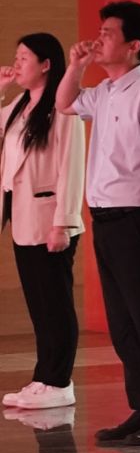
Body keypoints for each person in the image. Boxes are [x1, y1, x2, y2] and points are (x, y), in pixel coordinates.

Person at [54, 1, 140, 446]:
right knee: (124, 322)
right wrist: (76, 64)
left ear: (134, 45)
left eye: (107, 33)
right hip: (107, 220)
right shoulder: (107, 91)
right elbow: (64, 102)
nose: (98, 39)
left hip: (138, 218)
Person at [1, 33, 85, 410]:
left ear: (46, 64)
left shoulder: (62, 106)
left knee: (55, 304)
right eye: (16, 57)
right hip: (23, 218)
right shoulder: (20, 105)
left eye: (24, 58)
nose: (17, 64)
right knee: (38, 304)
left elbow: (72, 166)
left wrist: (63, 222)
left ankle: (59, 381)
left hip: (50, 220)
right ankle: (43, 377)